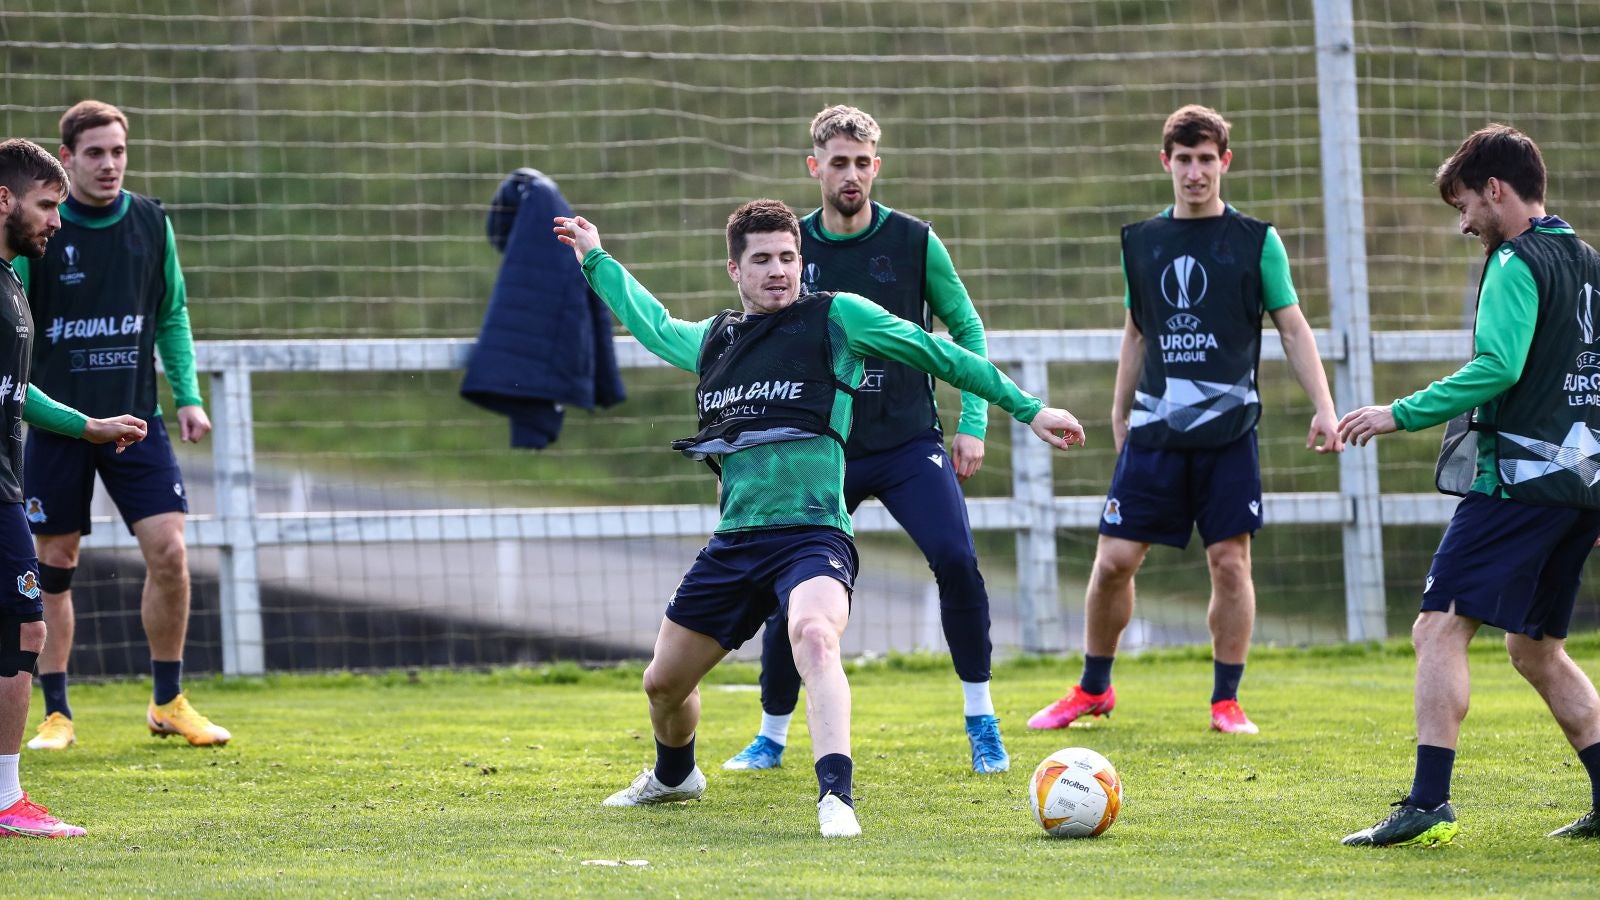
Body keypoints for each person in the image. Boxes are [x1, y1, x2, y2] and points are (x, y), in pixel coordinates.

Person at [553, 200, 1084, 837]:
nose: (779, 271)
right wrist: (595, 258)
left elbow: (938, 353)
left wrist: (1028, 410)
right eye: (763, 260)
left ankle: (836, 796)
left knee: (812, 633)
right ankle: (675, 775)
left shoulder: (837, 317)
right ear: (734, 269)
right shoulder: (715, 340)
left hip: (812, 533)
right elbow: (652, 323)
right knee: (663, 686)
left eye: (789, 257)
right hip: (735, 540)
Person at [1027, 104, 1342, 735]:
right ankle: (1093, 689)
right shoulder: (1141, 242)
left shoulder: (1257, 241)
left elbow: (1292, 326)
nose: (1195, 172)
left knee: (1229, 561)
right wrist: (1119, 410)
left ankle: (1226, 700)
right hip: (1155, 432)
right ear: (1165, 160)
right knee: (1114, 559)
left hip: (1229, 433)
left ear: (1224, 162)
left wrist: (1326, 408)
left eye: (1206, 159)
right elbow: (1137, 330)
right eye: (1184, 159)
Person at [721, 105, 1009, 775]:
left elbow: (965, 330)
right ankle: (770, 736)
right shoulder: (791, 248)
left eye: (861, 162)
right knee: (785, 585)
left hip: (909, 441)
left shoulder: (914, 241)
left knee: (957, 561)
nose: (850, 174)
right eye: (837, 162)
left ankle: (981, 720)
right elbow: (763, 343)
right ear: (814, 166)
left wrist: (972, 425)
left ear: (875, 167)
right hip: (827, 449)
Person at [1340, 124, 1600, 846]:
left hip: (1519, 482)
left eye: (1465, 206)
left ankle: (1428, 804)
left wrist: (1399, 413)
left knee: (1438, 626)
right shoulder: (1589, 262)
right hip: (1582, 485)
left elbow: (1498, 366)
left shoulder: (1516, 261)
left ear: (1496, 190)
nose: (1463, 224)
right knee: (1534, 649)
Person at [12, 101, 227, 751]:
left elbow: (172, 314)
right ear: (69, 157)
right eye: (96, 153)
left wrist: (187, 396)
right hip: (60, 426)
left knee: (171, 552)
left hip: (136, 421)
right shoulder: (37, 233)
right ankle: (57, 714)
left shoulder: (150, 222)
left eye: (119, 152)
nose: (110, 165)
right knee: (56, 561)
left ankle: (168, 701)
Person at [0, 138, 149, 836]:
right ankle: (6, 803)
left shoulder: (12, 284)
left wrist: (86, 425)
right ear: (5, 200)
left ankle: (6, 799)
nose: (56, 221)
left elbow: (16, 390)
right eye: (47, 205)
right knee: (24, 624)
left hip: (6, 482)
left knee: (23, 624)